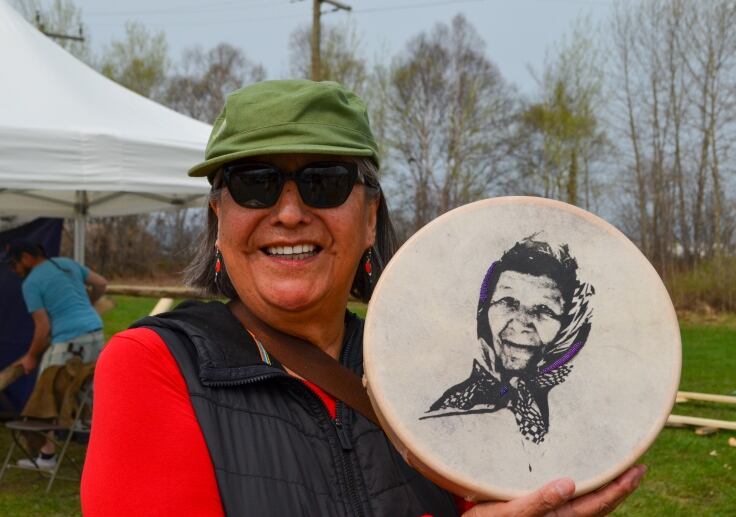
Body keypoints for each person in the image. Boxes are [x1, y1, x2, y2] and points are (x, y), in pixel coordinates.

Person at [81, 80, 645, 516]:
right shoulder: (157, 366)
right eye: (255, 182)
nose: (290, 212)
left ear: (370, 219)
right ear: (219, 220)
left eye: (324, 181)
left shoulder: (427, 367)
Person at [424, 237, 594, 444]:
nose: (522, 323)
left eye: (543, 309)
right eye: (508, 302)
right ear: (484, 309)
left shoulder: (587, 408)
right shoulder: (455, 406)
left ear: (567, 323)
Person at [4, 239, 107, 469]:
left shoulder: (31, 283)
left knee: (45, 393)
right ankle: (105, 452)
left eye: (14, 264)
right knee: (90, 392)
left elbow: (43, 328)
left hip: (69, 339)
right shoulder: (66, 263)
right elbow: (101, 283)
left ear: (28, 258)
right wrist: (86, 306)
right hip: (95, 333)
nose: (14, 270)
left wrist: (30, 357)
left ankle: (46, 456)